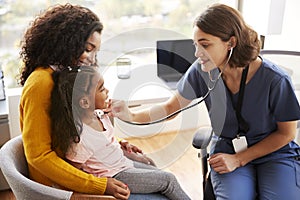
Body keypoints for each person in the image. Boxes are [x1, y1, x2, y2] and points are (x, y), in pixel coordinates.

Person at [110, 4, 300, 200]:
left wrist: (239, 159)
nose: (197, 53)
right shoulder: (202, 71)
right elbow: (170, 108)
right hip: (228, 148)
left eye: (205, 45)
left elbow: (286, 133)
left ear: (231, 43)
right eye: (195, 45)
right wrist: (130, 115)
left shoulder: (275, 79)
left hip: (273, 152)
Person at [18, 4, 166, 200]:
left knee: (152, 169)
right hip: (60, 189)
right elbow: (39, 157)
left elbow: (79, 133)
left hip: (84, 170)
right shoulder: (41, 83)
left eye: (94, 52)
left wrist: (114, 144)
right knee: (160, 191)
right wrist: (100, 185)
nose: (90, 58)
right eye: (87, 49)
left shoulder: (66, 77)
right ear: (66, 41)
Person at [49, 66, 191, 200]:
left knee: (151, 163)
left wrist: (120, 142)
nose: (107, 91)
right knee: (168, 180)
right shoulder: (81, 140)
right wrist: (101, 187)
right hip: (115, 175)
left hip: (122, 163)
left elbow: (103, 142)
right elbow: (75, 174)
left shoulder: (99, 115)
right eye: (101, 88)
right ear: (85, 103)